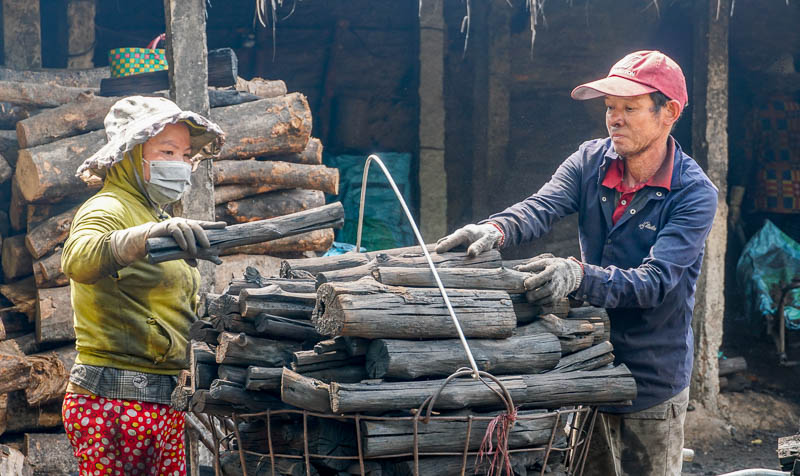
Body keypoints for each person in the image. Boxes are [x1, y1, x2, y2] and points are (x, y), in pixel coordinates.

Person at [436, 50, 718, 476]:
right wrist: (494, 230)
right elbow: (540, 207)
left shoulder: (693, 193)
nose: (614, 119)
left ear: (669, 113)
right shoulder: (590, 161)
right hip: (588, 361)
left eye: (629, 108)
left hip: (652, 378)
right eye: (609, 108)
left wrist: (577, 275)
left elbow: (655, 282)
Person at [60, 95, 227, 476]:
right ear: (132, 155)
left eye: (186, 155)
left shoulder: (153, 211)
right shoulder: (109, 207)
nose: (181, 164)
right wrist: (143, 236)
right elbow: (77, 259)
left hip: (159, 401)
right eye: (167, 151)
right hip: (113, 402)